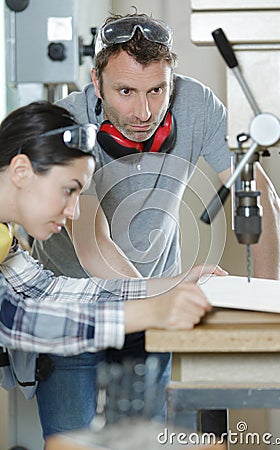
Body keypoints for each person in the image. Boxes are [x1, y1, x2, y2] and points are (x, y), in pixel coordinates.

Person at [31, 12, 280, 439]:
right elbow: (93, 245)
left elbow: (262, 199)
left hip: (150, 312)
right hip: (72, 310)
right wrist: (165, 296)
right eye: (125, 91)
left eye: (157, 90)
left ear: (172, 80)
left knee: (147, 443)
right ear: (97, 82)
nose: (143, 111)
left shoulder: (197, 105)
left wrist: (264, 316)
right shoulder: (67, 121)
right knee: (69, 443)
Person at [0, 100, 226, 440]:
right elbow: (18, 319)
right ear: (21, 171)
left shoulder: (5, 235)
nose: (75, 211)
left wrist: (169, 285)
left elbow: (46, 289)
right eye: (68, 190)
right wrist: (149, 311)